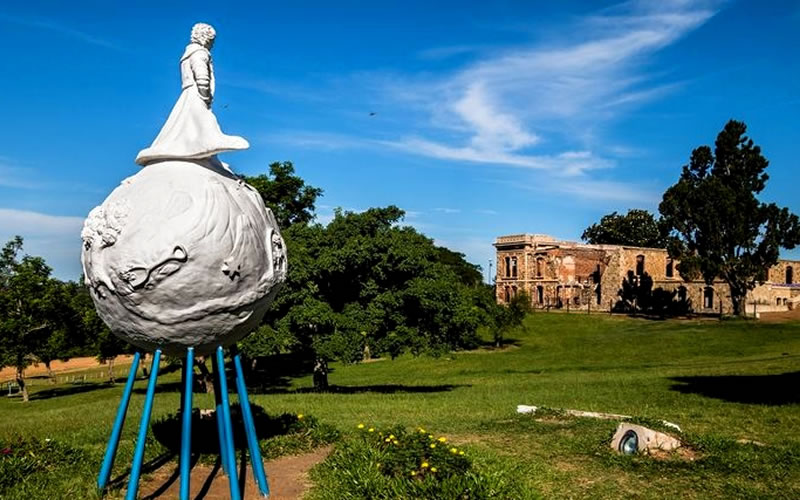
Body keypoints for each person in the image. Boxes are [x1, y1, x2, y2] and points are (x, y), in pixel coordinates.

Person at [136, 23, 248, 166]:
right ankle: (212, 142)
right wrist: (205, 95)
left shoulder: (188, 53)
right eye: (212, 40)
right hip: (195, 93)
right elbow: (202, 77)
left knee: (183, 125)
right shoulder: (199, 53)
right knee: (203, 120)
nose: (212, 44)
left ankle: (202, 153)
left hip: (188, 92)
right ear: (206, 38)